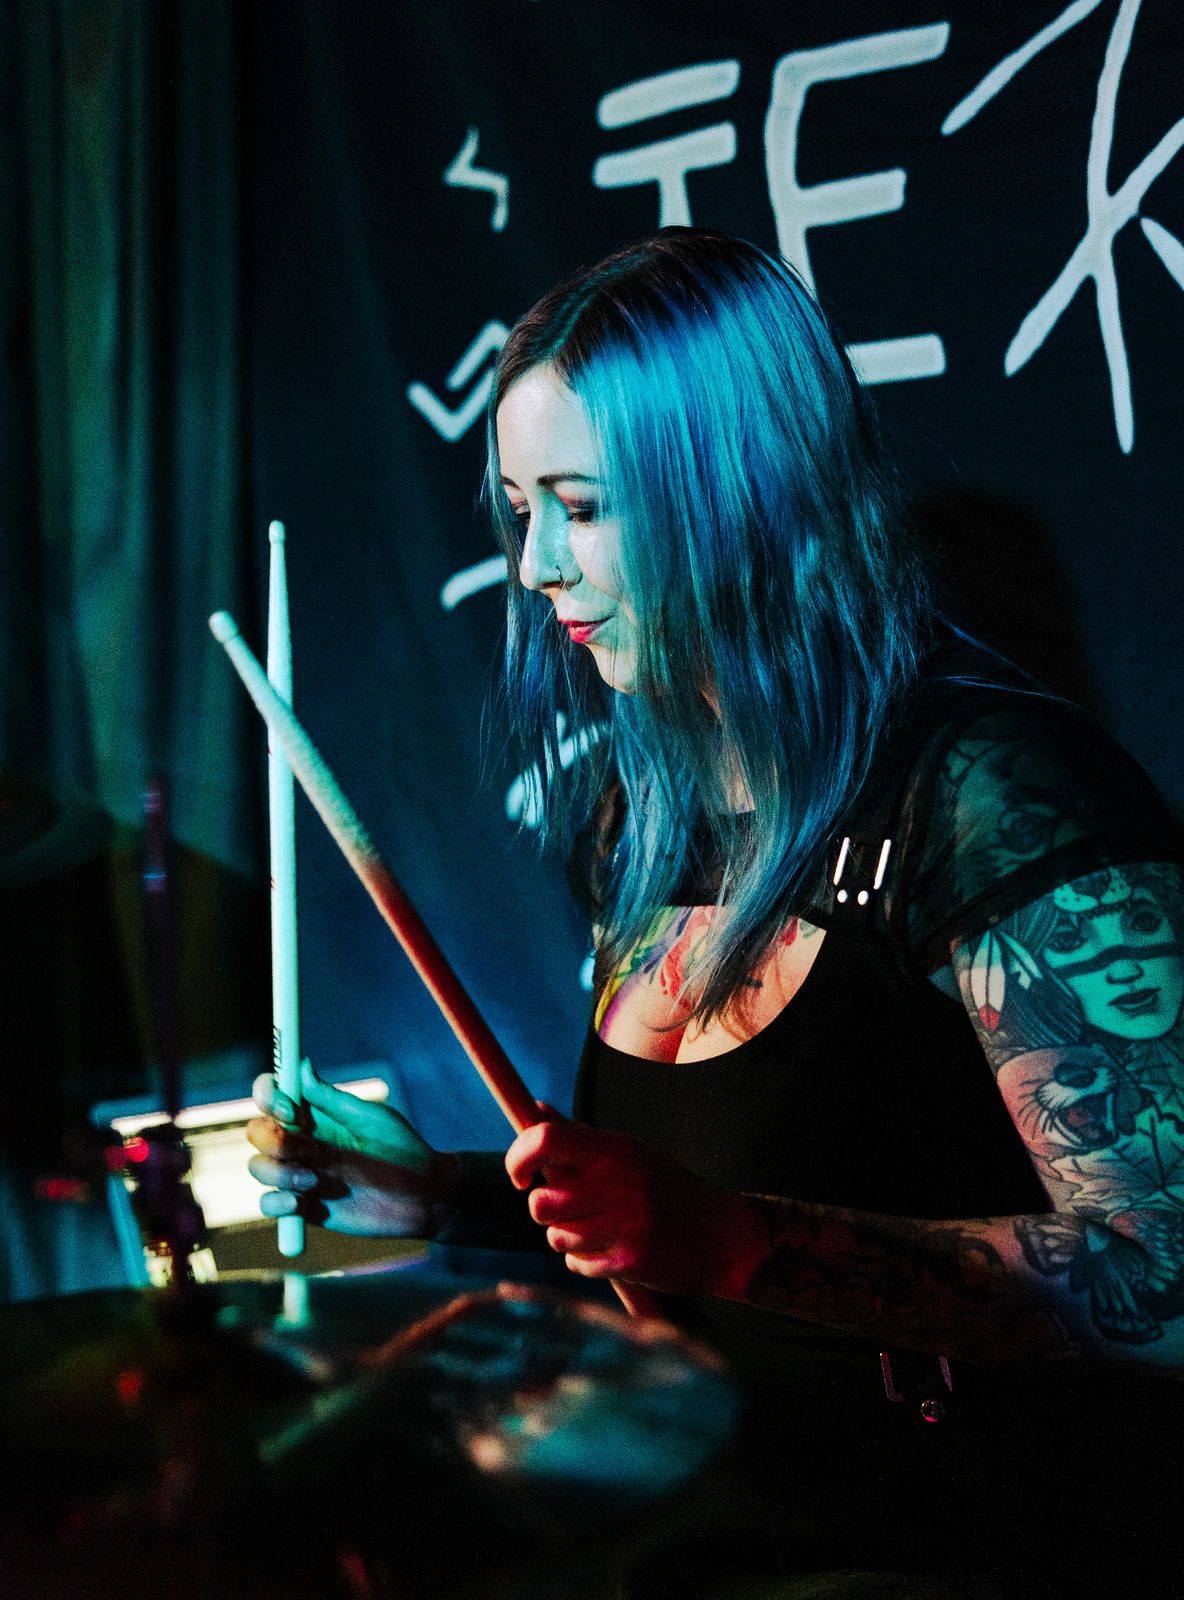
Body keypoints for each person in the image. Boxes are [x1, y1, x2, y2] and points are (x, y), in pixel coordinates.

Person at [248, 230, 1184, 1596]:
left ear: (736, 492)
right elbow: (674, 1219)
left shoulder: (993, 795)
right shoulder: (645, 816)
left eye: (580, 506)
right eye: (519, 510)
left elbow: (1164, 1285)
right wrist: (443, 1194)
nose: (536, 566)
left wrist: (737, 1243)